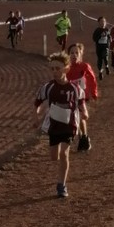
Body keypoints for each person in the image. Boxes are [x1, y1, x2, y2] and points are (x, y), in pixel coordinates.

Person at [33, 51, 88, 198]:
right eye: (52, 69)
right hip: (54, 125)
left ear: (66, 69)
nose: (54, 72)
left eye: (57, 68)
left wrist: (84, 112)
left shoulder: (74, 88)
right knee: (54, 157)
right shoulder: (48, 87)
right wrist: (36, 117)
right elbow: (37, 103)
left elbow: (81, 101)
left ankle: (61, 185)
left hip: (69, 125)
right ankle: (61, 179)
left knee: (64, 153)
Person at [67, 42, 98, 151]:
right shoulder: (66, 68)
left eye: (77, 53)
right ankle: (82, 136)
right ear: (68, 55)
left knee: (80, 117)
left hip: (82, 97)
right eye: (72, 53)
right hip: (71, 97)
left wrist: (94, 93)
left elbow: (92, 79)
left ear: (81, 54)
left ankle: (84, 137)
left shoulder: (84, 66)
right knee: (74, 118)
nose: (74, 55)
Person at [92, 16, 111, 80]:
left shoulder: (107, 29)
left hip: (105, 46)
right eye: (101, 21)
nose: (103, 23)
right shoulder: (97, 30)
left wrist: (110, 39)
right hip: (99, 47)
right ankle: (100, 72)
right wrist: (100, 36)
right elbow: (94, 39)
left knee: (105, 56)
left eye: (104, 21)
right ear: (98, 23)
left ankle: (106, 66)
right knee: (100, 59)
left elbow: (109, 36)